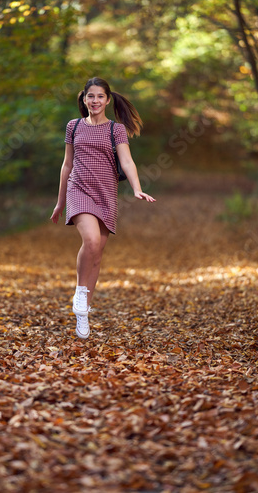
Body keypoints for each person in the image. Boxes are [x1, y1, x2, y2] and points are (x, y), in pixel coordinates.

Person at [50, 77, 155, 339]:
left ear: (107, 100)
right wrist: (61, 201)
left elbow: (127, 162)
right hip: (79, 189)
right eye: (90, 96)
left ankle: (83, 314)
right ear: (83, 99)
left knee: (97, 255)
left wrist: (136, 188)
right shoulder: (73, 126)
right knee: (92, 241)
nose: (94, 101)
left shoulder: (115, 130)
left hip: (105, 193)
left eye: (99, 97)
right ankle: (79, 292)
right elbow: (66, 165)